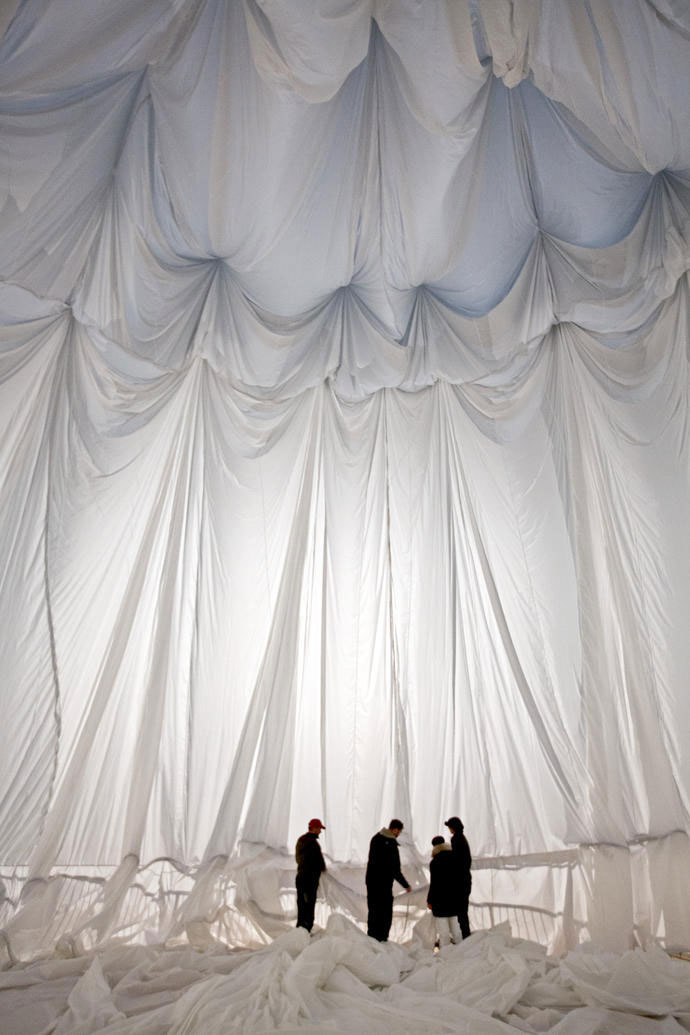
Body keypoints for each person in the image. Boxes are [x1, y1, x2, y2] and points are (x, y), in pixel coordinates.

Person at [365, 819, 411, 941]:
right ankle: (382, 938)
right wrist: (406, 885)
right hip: (384, 884)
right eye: (399, 832)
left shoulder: (375, 838)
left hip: (371, 881)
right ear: (395, 829)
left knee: (373, 910)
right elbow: (395, 869)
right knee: (385, 913)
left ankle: (372, 938)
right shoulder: (391, 843)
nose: (398, 834)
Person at [427, 836, 462, 946]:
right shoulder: (455, 857)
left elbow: (434, 884)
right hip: (454, 898)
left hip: (440, 901)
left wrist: (430, 900)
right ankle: (461, 949)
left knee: (443, 931)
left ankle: (446, 951)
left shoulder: (434, 862)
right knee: (456, 928)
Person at [295, 818, 326, 932]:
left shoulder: (301, 840)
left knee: (301, 906)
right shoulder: (313, 843)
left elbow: (298, 859)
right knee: (308, 907)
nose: (320, 831)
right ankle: (305, 931)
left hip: (301, 878)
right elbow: (319, 863)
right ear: (314, 828)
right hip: (310, 880)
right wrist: (322, 868)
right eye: (319, 829)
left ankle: (300, 930)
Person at [445, 815, 472, 939]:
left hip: (460, 881)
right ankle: (465, 935)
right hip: (465, 879)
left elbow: (456, 861)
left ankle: (465, 936)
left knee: (461, 912)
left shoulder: (456, 839)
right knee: (463, 911)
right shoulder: (463, 838)